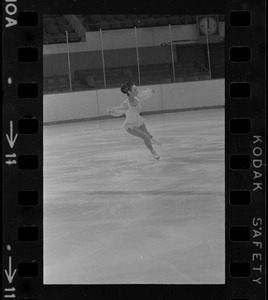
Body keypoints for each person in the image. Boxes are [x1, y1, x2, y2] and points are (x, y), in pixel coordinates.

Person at [106, 82, 161, 160]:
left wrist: (150, 91)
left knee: (148, 134)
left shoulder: (137, 98)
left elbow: (143, 95)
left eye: (136, 88)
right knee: (145, 137)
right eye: (135, 89)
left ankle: (151, 138)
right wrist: (112, 110)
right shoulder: (126, 104)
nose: (137, 90)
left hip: (138, 120)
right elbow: (119, 109)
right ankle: (153, 152)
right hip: (130, 125)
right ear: (129, 92)